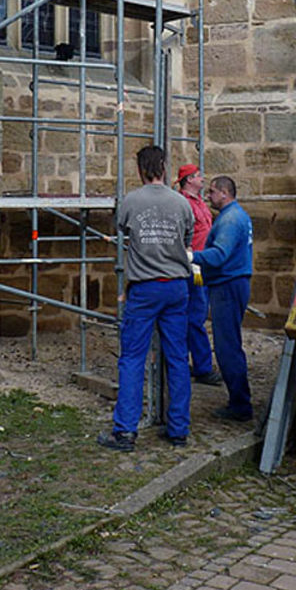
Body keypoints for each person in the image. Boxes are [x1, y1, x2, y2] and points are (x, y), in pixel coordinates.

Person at [99, 145, 195, 452]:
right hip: (177, 287)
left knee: (132, 358)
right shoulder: (182, 203)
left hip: (144, 288)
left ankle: (125, 430)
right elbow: (187, 240)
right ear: (165, 168)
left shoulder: (131, 201)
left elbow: (121, 231)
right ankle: (179, 428)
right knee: (178, 358)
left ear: (141, 170)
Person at [191, 176, 254, 422]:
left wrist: (191, 257)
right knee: (230, 343)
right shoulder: (238, 215)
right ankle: (239, 401)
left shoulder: (229, 220)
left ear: (225, 193)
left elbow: (219, 256)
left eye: (212, 192)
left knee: (227, 347)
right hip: (233, 283)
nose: (208, 196)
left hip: (227, 286)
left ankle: (240, 405)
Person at [177, 164, 223, 386]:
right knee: (195, 315)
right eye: (197, 176)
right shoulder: (184, 204)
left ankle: (187, 363)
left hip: (201, 265)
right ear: (188, 180)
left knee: (195, 314)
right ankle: (201, 367)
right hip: (192, 266)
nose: (202, 178)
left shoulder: (199, 203)